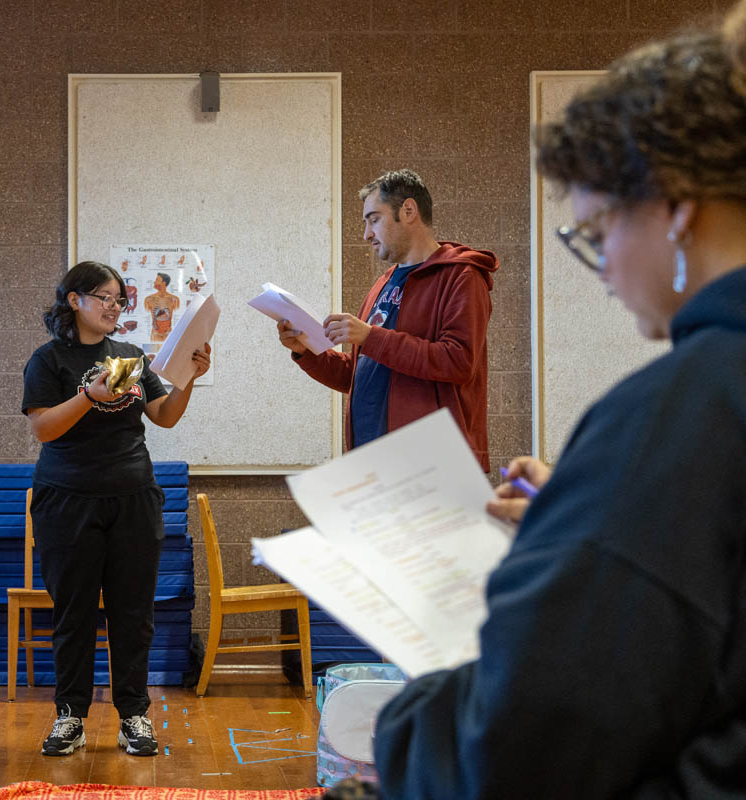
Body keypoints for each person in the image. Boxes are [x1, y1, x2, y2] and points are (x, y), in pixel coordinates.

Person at [372, 6, 746, 796]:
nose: (601, 264)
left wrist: (407, 720)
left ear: (677, 205)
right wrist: (584, 519)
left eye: (598, 229)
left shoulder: (674, 415)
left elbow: (513, 748)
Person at [21, 261, 211, 759]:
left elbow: (164, 417)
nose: (113, 306)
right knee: (73, 613)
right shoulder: (48, 360)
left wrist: (188, 377)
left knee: (133, 613)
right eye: (102, 296)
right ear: (74, 300)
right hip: (67, 500)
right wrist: (89, 395)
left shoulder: (129, 355)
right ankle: (70, 716)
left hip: (133, 497)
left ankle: (134, 715)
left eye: (118, 299)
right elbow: (44, 429)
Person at [277, 170, 498, 471]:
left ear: (408, 211)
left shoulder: (461, 277)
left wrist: (371, 337)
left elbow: (458, 361)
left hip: (433, 466)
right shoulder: (383, 285)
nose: (366, 234)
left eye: (374, 219)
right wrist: (306, 352)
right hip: (374, 461)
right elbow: (356, 376)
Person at [143, 271, 180, 343]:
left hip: (168, 333)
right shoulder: (149, 299)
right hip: (155, 333)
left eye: (157, 280)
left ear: (164, 283)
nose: (154, 282)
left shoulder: (174, 299)